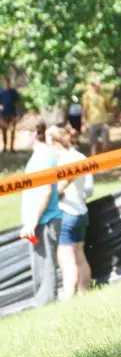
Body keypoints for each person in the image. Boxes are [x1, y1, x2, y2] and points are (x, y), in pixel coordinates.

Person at [47, 125, 93, 299]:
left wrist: (56, 192)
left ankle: (68, 295)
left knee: (68, 259)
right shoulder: (80, 156)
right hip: (81, 210)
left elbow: (64, 183)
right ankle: (83, 293)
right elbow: (88, 187)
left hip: (67, 211)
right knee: (79, 254)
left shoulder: (63, 160)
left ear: (54, 141)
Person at [20, 120, 62, 307]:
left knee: (46, 266)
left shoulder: (45, 155)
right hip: (37, 221)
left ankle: (47, 305)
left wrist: (33, 221)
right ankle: (41, 303)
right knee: (38, 265)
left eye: (23, 133)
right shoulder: (38, 155)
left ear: (34, 133)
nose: (20, 137)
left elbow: (45, 191)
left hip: (45, 220)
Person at [81, 77, 111, 155]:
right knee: (94, 144)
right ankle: (94, 163)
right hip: (92, 122)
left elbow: (109, 107)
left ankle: (105, 161)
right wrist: (84, 123)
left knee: (105, 143)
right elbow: (85, 109)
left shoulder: (103, 94)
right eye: (98, 84)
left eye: (100, 84)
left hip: (103, 121)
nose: (99, 86)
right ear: (93, 85)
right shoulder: (87, 95)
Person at [0, 75, 20, 152]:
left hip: (12, 114)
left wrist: (18, 113)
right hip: (3, 115)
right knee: (3, 131)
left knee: (12, 131)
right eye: (5, 82)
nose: (6, 83)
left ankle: (12, 147)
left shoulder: (13, 92)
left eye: (8, 82)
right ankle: (4, 147)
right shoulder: (1, 92)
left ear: (10, 83)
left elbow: (17, 103)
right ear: (3, 83)